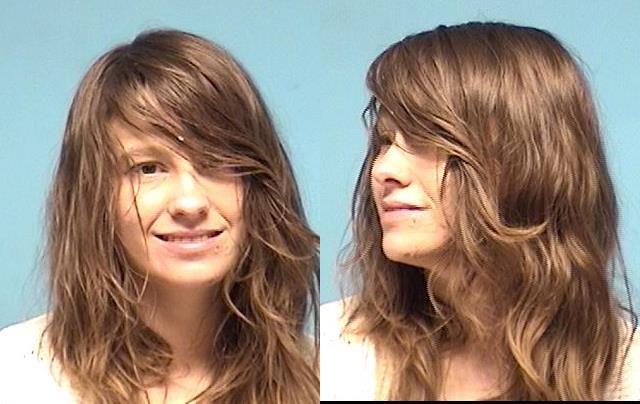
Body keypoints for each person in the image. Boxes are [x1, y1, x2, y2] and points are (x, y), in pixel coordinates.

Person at [321, 21, 639, 401]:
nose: (383, 169)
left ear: (522, 160)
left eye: (426, 138)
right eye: (386, 140)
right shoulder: (333, 356)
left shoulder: (627, 374)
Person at [0, 30, 318, 403]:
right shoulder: (16, 377)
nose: (190, 202)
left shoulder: (324, 377)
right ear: (93, 196)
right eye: (148, 168)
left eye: (217, 162)